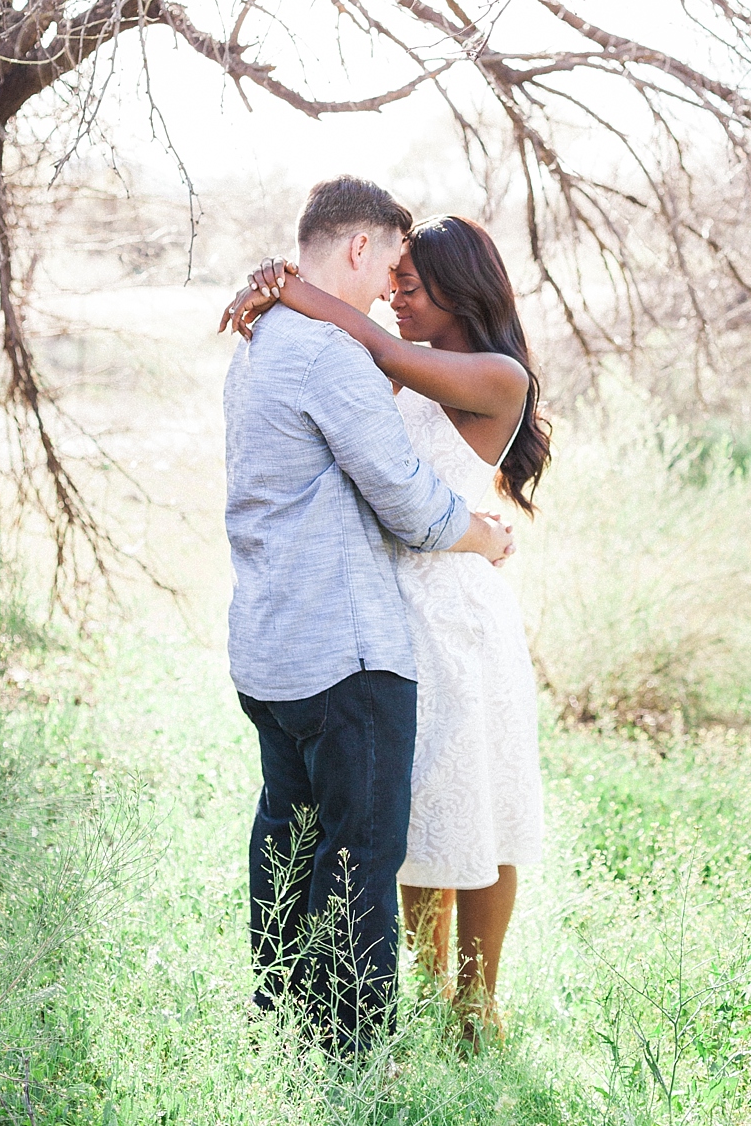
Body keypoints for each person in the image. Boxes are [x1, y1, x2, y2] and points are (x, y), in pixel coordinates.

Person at [225, 214, 551, 1043]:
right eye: (394, 280)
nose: (396, 296)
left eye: (413, 284)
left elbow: (381, 347)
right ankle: (424, 980)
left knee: (479, 804)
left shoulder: (494, 374)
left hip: (455, 616)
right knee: (409, 815)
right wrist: (281, 296)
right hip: (380, 608)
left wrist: (287, 286)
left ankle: (477, 1007)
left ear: (461, 288)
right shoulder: (387, 364)